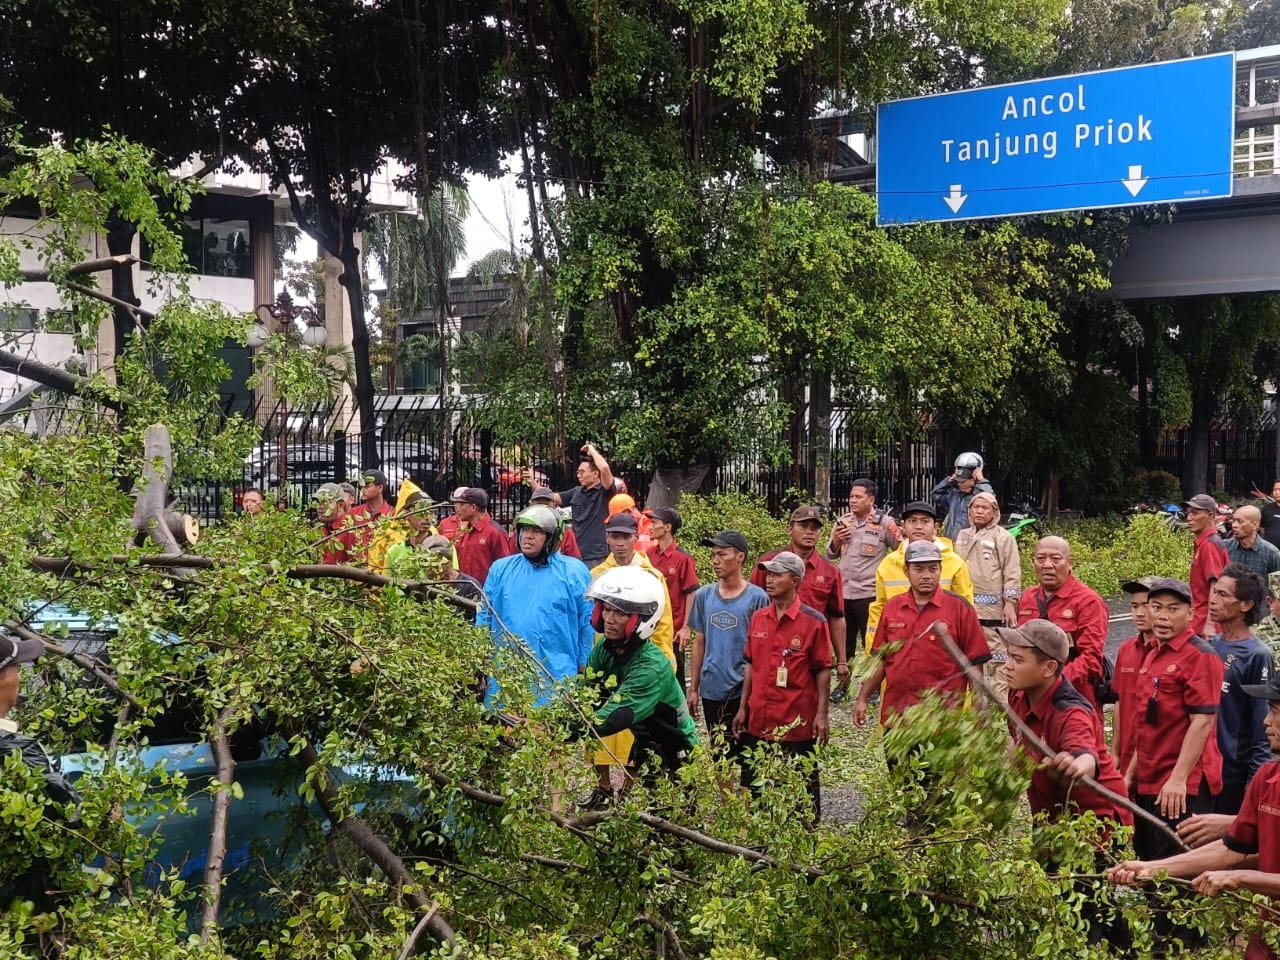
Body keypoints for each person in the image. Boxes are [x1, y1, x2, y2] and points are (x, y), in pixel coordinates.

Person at [1107, 673, 1280, 960]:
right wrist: (1152, 869)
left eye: (1274, 712)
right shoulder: (1268, 779)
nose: (1266, 721)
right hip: (1267, 937)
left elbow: (1237, 864)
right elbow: (1231, 849)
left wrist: (1240, 878)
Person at [1002, 619, 1134, 948]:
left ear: (1049, 668)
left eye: (1017, 659)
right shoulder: (1018, 696)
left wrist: (1076, 765)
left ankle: (1114, 949)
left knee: (1084, 904)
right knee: (1064, 893)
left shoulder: (1071, 711)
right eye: (1008, 656)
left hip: (1095, 822)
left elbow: (1085, 754)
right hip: (1050, 817)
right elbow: (1016, 746)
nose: (1007, 666)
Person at [1124, 577, 1225, 948]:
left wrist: (1179, 779)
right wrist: (1130, 774)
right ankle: (1162, 943)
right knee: (1150, 864)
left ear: (1190, 613)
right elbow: (1147, 721)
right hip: (1151, 779)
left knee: (1177, 875)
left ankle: (1184, 947)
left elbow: (1202, 721)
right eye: (1157, 608)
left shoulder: (1201, 656)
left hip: (1183, 786)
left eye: (1173, 609)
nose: (1162, 616)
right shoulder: (1154, 653)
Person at [581, 512, 677, 809]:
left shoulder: (652, 576)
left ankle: (626, 791)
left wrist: (664, 662)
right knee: (598, 724)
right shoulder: (598, 573)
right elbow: (588, 621)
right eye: (615, 536)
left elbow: (663, 625)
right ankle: (602, 787)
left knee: (635, 729)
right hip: (606, 661)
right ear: (607, 538)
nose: (620, 543)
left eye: (625, 537)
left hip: (637, 664)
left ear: (636, 538)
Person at [732, 551, 832, 822]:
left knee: (802, 794)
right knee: (755, 790)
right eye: (769, 574)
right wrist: (743, 707)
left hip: (795, 721)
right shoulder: (758, 618)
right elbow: (750, 664)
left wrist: (822, 714)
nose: (769, 579)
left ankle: (806, 838)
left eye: (777, 575)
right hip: (759, 719)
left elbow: (823, 669)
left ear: (795, 580)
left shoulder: (814, 622)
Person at [578, 566, 698, 782]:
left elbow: (612, 718)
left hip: (677, 748)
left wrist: (560, 729)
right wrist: (545, 719)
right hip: (645, 739)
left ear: (641, 619)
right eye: (606, 609)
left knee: (676, 801)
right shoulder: (605, 648)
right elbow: (587, 697)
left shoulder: (651, 666)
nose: (609, 619)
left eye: (620, 613)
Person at [854, 540, 990, 730]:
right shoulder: (892, 608)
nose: (927, 576)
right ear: (906, 571)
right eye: (918, 569)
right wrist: (863, 698)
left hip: (943, 718)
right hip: (898, 715)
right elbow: (880, 660)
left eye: (933, 569)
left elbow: (975, 662)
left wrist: (978, 705)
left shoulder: (960, 608)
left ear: (940, 570)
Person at [479, 505, 595, 707]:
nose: (528, 536)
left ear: (552, 537)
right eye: (525, 530)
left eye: (537, 531)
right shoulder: (501, 569)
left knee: (549, 722)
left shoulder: (574, 572)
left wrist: (584, 662)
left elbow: (587, 622)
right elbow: (485, 616)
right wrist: (479, 655)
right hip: (505, 673)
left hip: (555, 673)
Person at [0, 633, 80, 915]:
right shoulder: (15, 751)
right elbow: (69, 812)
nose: (20, 677)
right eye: (16, 668)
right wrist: (106, 812)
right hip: (22, 901)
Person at [685, 530, 769, 759]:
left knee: (748, 754)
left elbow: (761, 649)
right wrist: (694, 689)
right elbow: (699, 643)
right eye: (713, 555)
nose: (715, 560)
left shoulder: (757, 598)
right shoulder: (704, 595)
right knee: (720, 754)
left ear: (740, 557)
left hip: (743, 687)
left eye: (722, 554)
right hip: (712, 687)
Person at [751, 506, 848, 694]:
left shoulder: (830, 571)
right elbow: (752, 607)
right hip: (772, 643)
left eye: (815, 528)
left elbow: (836, 617)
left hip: (810, 648)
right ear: (790, 528)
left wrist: (841, 660)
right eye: (803, 526)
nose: (809, 532)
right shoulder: (768, 564)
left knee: (809, 698)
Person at [1015, 536, 1109, 715]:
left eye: (1056, 559)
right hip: (1031, 698)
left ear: (1070, 563)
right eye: (1040, 558)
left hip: (1072, 698)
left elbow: (1091, 658)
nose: (1047, 565)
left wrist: (1051, 684)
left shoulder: (1088, 601)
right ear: (1033, 562)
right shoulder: (1028, 597)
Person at [1207, 564, 1274, 815]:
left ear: (1245, 605)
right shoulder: (1209, 646)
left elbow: (1262, 722)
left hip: (1233, 775)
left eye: (1223, 595)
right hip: (1204, 769)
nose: (1213, 600)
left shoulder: (1257, 655)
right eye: (1214, 592)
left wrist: (1254, 779)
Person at [866, 501, 974, 647]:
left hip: (942, 645)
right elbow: (879, 609)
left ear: (936, 527)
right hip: (900, 645)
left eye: (925, 521)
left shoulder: (954, 562)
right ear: (903, 526)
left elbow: (966, 608)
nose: (918, 526)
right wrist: (873, 652)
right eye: (912, 521)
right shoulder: (889, 563)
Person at [953, 490, 1022, 704]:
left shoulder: (1004, 537)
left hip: (993, 613)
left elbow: (1012, 571)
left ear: (994, 512)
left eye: (985, 508)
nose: (980, 511)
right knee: (969, 659)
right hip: (966, 609)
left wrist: (1010, 603)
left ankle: (1001, 707)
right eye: (976, 507)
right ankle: (973, 706)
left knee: (998, 660)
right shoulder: (962, 535)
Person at [825, 479, 900, 662]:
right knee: (844, 644)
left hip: (869, 594)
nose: (853, 500)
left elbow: (901, 550)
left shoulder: (885, 523)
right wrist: (837, 539)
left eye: (858, 497)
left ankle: (871, 679)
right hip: (844, 592)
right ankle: (844, 676)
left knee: (872, 642)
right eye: (851, 496)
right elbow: (830, 554)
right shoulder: (843, 521)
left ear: (871, 500)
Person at [645, 506, 700, 688]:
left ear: (668, 527)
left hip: (674, 631)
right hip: (650, 629)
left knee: (676, 679)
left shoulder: (682, 559)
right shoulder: (648, 555)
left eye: (655, 523)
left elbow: (691, 592)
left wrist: (686, 627)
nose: (650, 527)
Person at [1112, 577, 1159, 778]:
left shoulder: (1174, 653)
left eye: (1146, 606)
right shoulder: (1126, 650)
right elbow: (1119, 702)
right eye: (1134, 606)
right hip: (1127, 755)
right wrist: (1115, 753)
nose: (1139, 613)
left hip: (1158, 763)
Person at [549, 443, 615, 568]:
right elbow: (552, 497)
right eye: (578, 472)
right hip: (575, 553)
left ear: (595, 474)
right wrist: (532, 483)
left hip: (595, 555)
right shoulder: (576, 491)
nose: (578, 475)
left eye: (582, 472)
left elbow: (604, 468)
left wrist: (592, 451)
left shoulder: (604, 491)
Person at [439, 487, 511, 585]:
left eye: (462, 504)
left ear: (473, 507)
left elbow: (505, 569)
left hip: (484, 591)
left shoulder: (495, 532)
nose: (457, 508)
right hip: (464, 589)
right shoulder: (467, 529)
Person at [1186, 493, 1229, 637]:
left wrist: (1210, 624)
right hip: (1199, 620)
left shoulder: (1209, 545)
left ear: (1210, 516)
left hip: (1206, 625)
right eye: (1188, 513)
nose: (1189, 518)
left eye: (1195, 513)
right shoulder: (1204, 543)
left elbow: (1216, 586)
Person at [931, 451, 993, 541]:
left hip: (970, 544)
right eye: (958, 480)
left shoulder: (977, 497)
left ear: (974, 477)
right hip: (951, 542)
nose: (959, 483)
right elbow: (936, 494)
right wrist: (948, 481)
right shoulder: (955, 496)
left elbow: (990, 499)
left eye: (963, 481)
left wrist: (981, 480)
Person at [314, 482, 365, 565]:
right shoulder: (320, 529)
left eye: (326, 502)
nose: (320, 506)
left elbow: (358, 567)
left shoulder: (350, 531)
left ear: (340, 505)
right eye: (318, 502)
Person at [1224, 504, 1280, 580]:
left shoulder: (1272, 554)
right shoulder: (1224, 547)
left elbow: (1276, 586)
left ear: (1255, 525)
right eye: (1233, 521)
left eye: (1240, 522)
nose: (1234, 525)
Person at [529, 486, 581, 559]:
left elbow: (575, 561)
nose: (543, 508)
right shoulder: (522, 530)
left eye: (546, 504)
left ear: (554, 505)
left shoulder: (565, 531)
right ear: (531, 505)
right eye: (539, 504)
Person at [1253, 479, 1280, 549]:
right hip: (1269, 550)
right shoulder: (1266, 509)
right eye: (1275, 490)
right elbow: (1261, 528)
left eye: (1279, 489)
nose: (1277, 492)